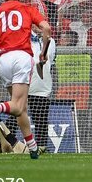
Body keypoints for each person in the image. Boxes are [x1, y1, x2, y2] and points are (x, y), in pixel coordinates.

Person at [0, 0, 52, 160]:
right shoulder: (27, 9)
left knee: (20, 109)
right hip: (21, 58)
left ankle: (32, 148)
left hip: (2, 61)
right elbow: (47, 28)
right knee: (18, 105)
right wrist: (43, 52)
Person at [28, 22, 57, 153]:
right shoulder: (25, 39)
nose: (39, 27)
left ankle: (41, 146)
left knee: (41, 117)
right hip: (25, 82)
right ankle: (9, 142)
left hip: (42, 84)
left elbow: (49, 59)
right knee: (17, 114)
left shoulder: (51, 42)